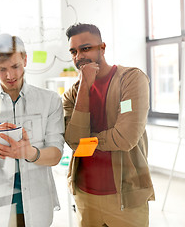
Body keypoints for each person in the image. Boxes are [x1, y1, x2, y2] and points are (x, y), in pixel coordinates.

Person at [62, 23, 155, 227]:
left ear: (102, 47)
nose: (79, 56)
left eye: (86, 48)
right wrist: (85, 86)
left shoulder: (130, 79)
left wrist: (86, 142)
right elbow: (73, 142)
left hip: (126, 195)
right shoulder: (72, 94)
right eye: (73, 51)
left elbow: (125, 138)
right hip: (85, 195)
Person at [0, 33, 65, 227]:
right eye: (2, 69)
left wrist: (30, 153)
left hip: (38, 199)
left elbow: (55, 155)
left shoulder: (49, 101)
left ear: (25, 59)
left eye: (15, 66)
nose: (10, 76)